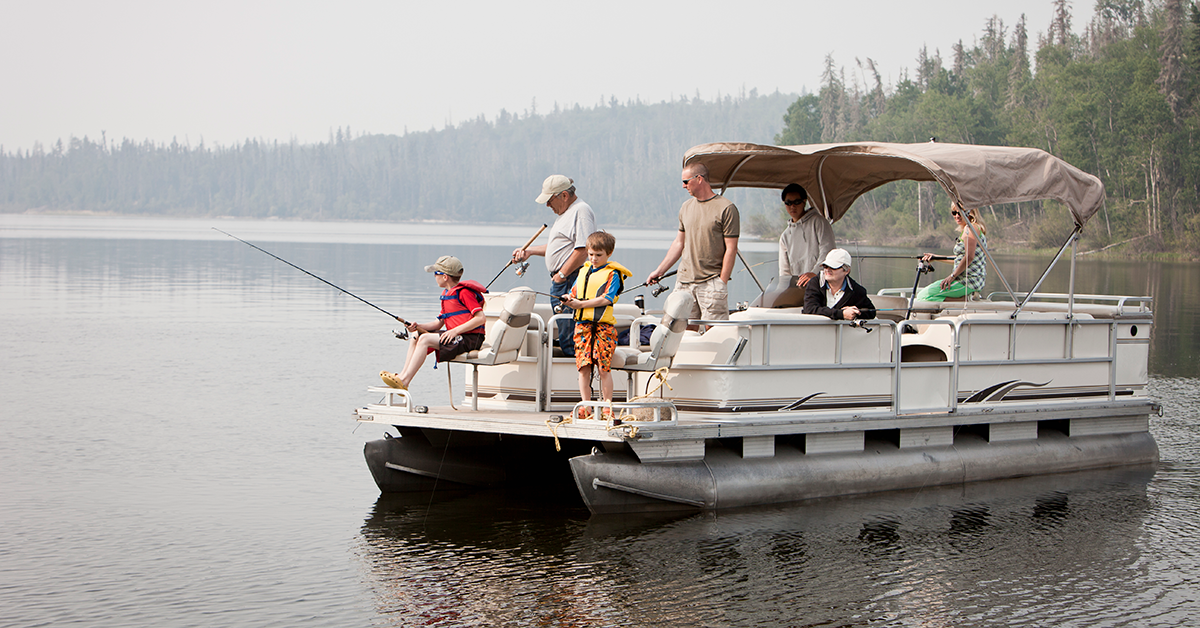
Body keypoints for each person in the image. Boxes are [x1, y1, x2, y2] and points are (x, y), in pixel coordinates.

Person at [511, 174, 597, 356]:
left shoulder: (581, 211)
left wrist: (562, 276)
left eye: (549, 201)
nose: (548, 206)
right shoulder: (566, 213)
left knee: (570, 334)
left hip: (569, 280)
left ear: (564, 196)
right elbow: (559, 247)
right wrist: (530, 252)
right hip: (563, 281)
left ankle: (575, 378)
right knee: (565, 330)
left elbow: (583, 249)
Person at [647, 163, 739, 329]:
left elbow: (731, 249)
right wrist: (660, 271)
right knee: (680, 333)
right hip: (684, 282)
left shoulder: (727, 208)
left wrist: (721, 282)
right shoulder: (686, 207)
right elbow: (679, 243)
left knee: (715, 333)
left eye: (686, 181)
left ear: (699, 179)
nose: (683, 186)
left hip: (712, 282)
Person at [379, 255, 486, 390]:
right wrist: (417, 326)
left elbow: (480, 318)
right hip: (457, 336)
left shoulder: (464, 293)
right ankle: (402, 376)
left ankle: (404, 381)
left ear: (445, 277)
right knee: (416, 335)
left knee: (424, 339)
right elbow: (437, 324)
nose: (434, 276)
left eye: (436, 273)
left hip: (470, 339)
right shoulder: (447, 294)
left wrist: (454, 331)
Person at [558, 232, 632, 416]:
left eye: (598, 255)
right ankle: (586, 406)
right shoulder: (583, 271)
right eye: (591, 254)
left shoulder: (613, 274)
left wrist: (581, 304)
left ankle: (607, 407)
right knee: (583, 367)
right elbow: (573, 291)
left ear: (609, 253)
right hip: (582, 327)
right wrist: (568, 298)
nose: (594, 258)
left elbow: (607, 298)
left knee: (603, 367)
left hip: (603, 328)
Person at [916, 202, 988, 301]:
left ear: (970, 212)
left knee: (923, 296)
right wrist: (936, 257)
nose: (957, 216)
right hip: (968, 281)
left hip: (968, 282)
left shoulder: (970, 229)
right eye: (954, 213)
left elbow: (969, 257)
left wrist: (952, 276)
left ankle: (963, 300)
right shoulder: (970, 228)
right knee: (923, 295)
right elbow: (961, 259)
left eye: (960, 212)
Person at [778, 183, 836, 288]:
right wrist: (784, 289)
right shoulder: (785, 236)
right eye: (788, 203)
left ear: (804, 201)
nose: (793, 206)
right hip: (799, 288)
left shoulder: (819, 222)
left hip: (821, 284)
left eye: (797, 202)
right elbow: (784, 271)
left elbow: (828, 251)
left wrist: (815, 274)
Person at [803, 248, 876, 321]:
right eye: (825, 266)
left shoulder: (856, 290)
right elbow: (809, 309)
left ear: (847, 270)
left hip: (841, 331)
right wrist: (841, 314)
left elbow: (871, 312)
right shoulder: (814, 283)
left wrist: (855, 313)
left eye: (833, 267)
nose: (828, 269)